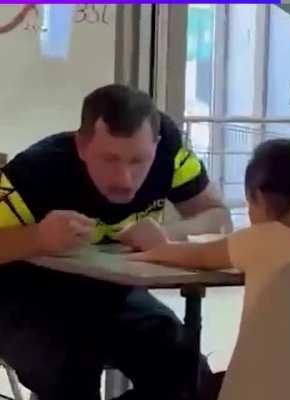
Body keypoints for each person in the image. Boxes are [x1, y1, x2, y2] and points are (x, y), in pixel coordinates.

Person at [0, 84, 232, 400]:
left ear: (156, 145)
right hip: (23, 296)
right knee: (69, 370)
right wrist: (37, 238)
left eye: (138, 161)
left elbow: (218, 216)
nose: (125, 178)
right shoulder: (36, 171)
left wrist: (170, 237)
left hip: (111, 293)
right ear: (81, 146)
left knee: (184, 369)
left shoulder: (171, 156)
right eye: (109, 160)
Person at [128, 138, 290, 396]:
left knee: (182, 386)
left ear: (256, 196)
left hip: (258, 387)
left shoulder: (258, 240)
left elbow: (194, 256)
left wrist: (151, 249)